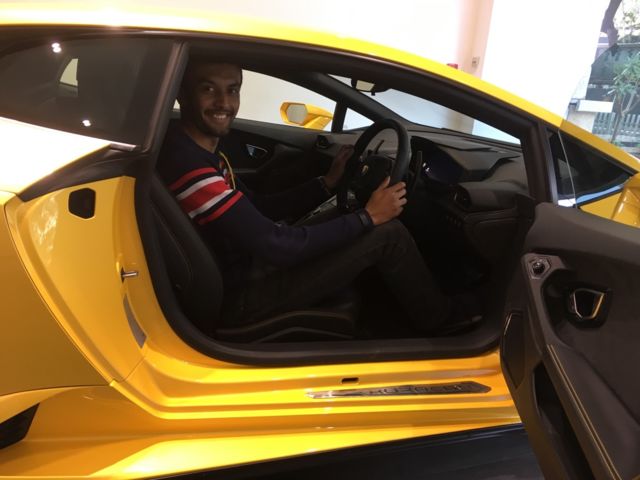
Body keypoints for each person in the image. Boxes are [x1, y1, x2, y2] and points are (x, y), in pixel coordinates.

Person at [157, 59, 475, 336]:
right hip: (240, 297)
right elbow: (276, 245)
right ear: (182, 94)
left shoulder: (196, 152)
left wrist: (326, 183)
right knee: (388, 234)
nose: (224, 103)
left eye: (233, 90)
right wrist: (369, 217)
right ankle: (442, 320)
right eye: (208, 89)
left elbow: (259, 205)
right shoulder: (190, 169)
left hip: (245, 267)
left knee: (349, 215)